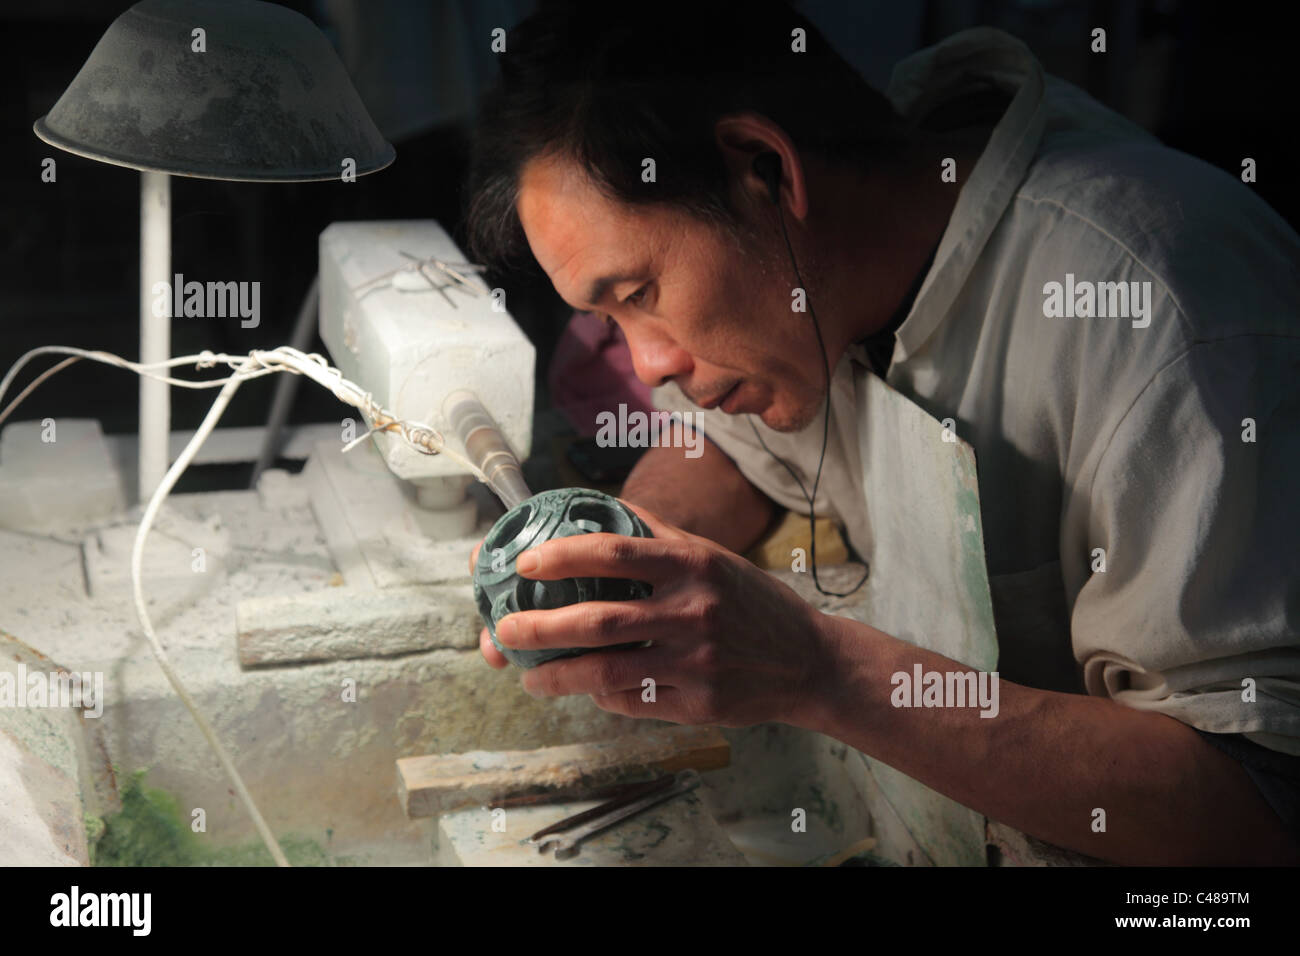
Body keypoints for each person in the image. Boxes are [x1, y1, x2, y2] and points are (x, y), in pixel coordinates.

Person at [464, 0, 1300, 864]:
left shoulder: (1162, 313)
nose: (647, 366)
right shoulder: (822, 283)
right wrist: (624, 564)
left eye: (639, 295)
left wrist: (820, 672)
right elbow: (719, 448)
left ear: (767, 168)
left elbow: (1261, 806)